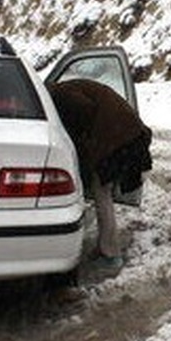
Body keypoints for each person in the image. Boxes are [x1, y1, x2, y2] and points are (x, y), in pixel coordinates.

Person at [48, 77, 152, 270]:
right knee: (102, 192)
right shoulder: (63, 90)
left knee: (101, 192)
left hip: (118, 139)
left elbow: (84, 111)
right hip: (125, 134)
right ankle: (105, 245)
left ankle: (110, 253)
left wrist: (80, 145)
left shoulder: (59, 96)